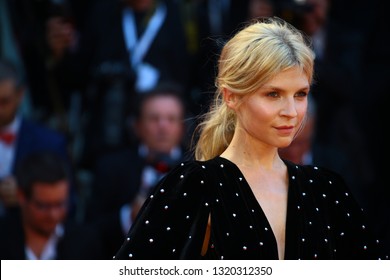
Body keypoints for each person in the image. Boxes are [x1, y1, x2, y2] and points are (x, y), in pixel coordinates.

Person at [113, 17, 386, 260]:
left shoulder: (326, 189)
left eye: (300, 94)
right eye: (273, 94)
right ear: (231, 95)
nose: (291, 112)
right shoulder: (194, 186)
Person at [85, 82, 190, 258]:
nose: (163, 126)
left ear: (183, 127)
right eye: (154, 119)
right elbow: (90, 231)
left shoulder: (198, 166)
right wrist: (128, 217)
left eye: (171, 119)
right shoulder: (111, 167)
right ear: (137, 125)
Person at [0, 152, 104, 260]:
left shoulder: (85, 242)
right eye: (43, 206)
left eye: (60, 204)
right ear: (21, 196)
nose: (53, 215)